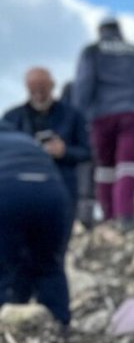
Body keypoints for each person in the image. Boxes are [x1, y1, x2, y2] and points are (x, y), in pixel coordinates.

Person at [72, 17, 134, 227]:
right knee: (128, 164)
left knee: (105, 167)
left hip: (102, 114)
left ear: (100, 31)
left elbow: (83, 84)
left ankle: (109, 216)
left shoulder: (93, 51)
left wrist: (76, 117)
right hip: (133, 112)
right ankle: (125, 214)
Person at [0, 128, 74, 328]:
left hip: (7, 191)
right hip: (52, 192)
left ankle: (9, 327)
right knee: (50, 266)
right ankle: (60, 325)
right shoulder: (24, 138)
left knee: (6, 267)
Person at [2, 69, 91, 217]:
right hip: (21, 190)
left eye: (42, 87)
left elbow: (87, 152)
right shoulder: (11, 118)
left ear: (52, 85)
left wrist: (64, 151)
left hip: (62, 188)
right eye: (33, 88)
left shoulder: (72, 115)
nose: (38, 93)